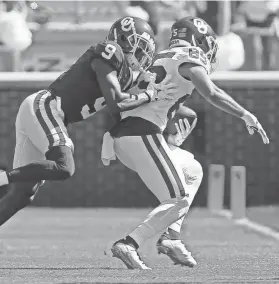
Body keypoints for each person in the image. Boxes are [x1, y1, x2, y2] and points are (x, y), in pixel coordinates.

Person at [101, 16, 269, 269]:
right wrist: (246, 114)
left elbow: (161, 99)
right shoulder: (188, 55)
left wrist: (174, 124)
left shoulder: (162, 56)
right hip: (140, 134)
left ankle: (171, 237)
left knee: (192, 169)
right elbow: (211, 92)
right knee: (177, 198)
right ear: (198, 39)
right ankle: (130, 243)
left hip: (134, 135)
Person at [0, 16, 177, 227]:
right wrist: (148, 95)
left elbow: (126, 108)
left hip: (50, 114)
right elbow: (116, 104)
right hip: (47, 107)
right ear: (125, 38)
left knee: (23, 194)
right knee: (64, 166)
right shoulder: (110, 50)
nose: (142, 56)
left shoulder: (127, 75)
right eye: (140, 48)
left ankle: (4, 179)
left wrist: (168, 100)